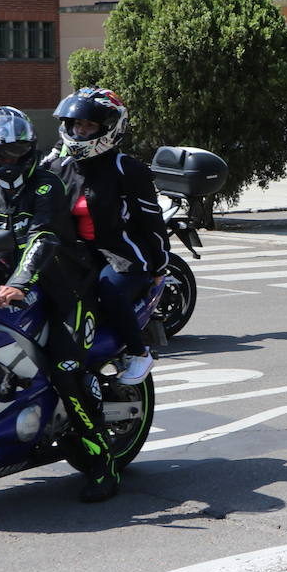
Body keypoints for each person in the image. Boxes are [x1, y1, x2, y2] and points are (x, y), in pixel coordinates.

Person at [0, 106, 121, 503]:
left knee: (65, 369)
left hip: (63, 287)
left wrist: (21, 281)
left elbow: (43, 238)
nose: (8, 161)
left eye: (17, 151)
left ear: (31, 149)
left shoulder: (45, 186)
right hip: (1, 285)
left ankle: (102, 463)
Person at [41, 88, 169, 390]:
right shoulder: (60, 165)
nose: (80, 131)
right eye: (76, 125)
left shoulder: (127, 169)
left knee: (108, 291)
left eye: (89, 126)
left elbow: (151, 223)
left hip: (121, 255)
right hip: (76, 253)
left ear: (108, 128)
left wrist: (160, 266)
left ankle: (139, 352)